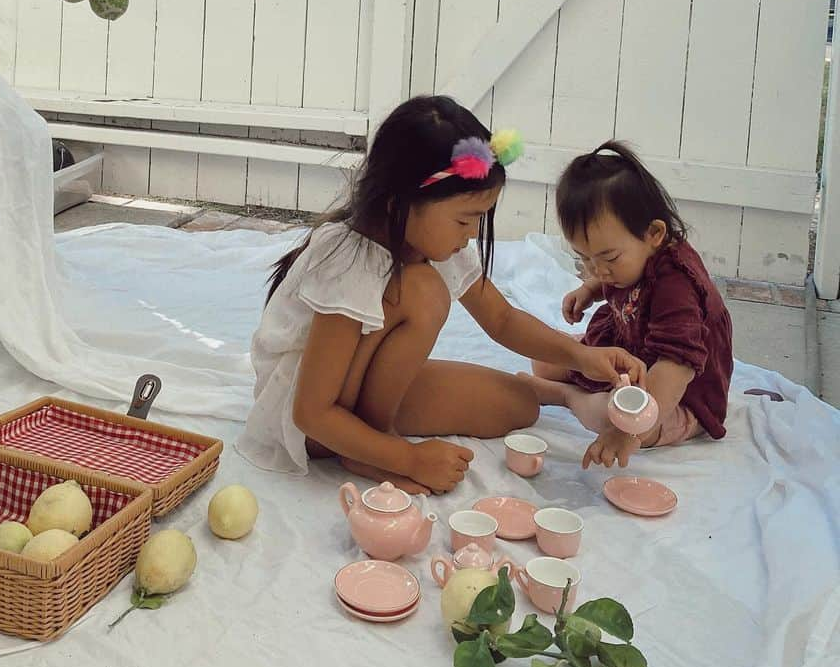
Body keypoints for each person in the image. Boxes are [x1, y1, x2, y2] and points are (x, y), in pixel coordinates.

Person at [235, 97, 646, 494]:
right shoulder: (348, 260)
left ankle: (383, 435)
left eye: (477, 220)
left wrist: (581, 356)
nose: (470, 235)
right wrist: (406, 458)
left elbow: (501, 319)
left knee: (518, 406)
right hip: (306, 419)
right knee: (424, 291)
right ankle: (372, 447)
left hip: (357, 392)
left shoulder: (427, 238)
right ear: (400, 204)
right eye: (464, 220)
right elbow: (311, 412)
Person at [520, 141, 733, 468]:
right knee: (545, 360)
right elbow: (617, 278)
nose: (598, 270)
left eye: (608, 258)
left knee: (615, 417)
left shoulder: (677, 285)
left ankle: (566, 397)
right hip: (631, 350)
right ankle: (563, 386)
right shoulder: (627, 259)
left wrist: (627, 431)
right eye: (585, 258)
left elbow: (675, 367)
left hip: (680, 392)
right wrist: (591, 289)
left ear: (654, 234)